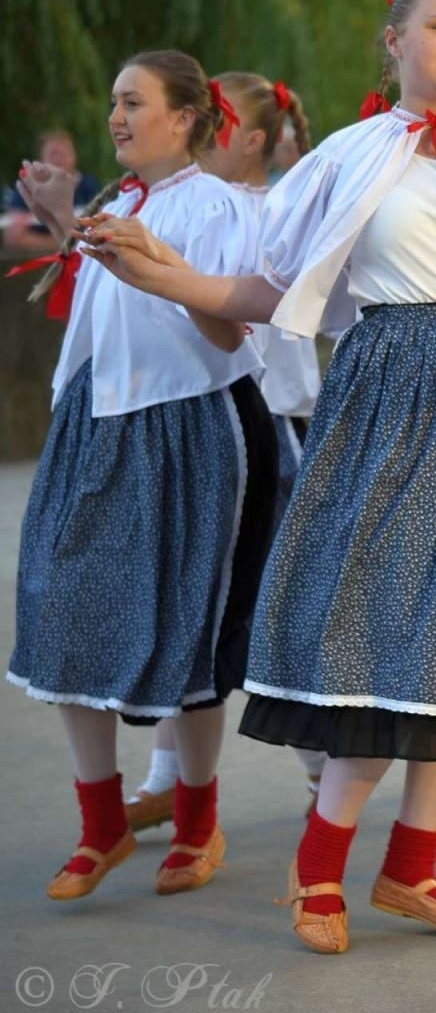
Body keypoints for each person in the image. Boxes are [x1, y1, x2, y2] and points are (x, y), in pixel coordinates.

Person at [81, 0, 436, 955]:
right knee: (390, 619)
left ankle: (412, 869)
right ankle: (319, 869)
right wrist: (151, 265)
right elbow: (265, 291)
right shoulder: (346, 157)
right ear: (392, 40)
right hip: (395, 387)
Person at [8, 50, 272, 902]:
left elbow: (230, 332)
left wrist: (156, 258)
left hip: (191, 419)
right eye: (114, 102)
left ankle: (197, 824)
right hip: (95, 418)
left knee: (185, 620)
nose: (117, 117)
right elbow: (98, 297)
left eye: (134, 102)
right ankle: (102, 826)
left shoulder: (220, 205)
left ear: (185, 118)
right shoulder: (117, 202)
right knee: (59, 604)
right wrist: (60, 219)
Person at [122, 71, 325, 833]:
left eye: (216, 125)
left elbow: (249, 325)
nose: (202, 137)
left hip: (269, 422)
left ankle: (320, 772)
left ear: (251, 141)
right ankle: (168, 777)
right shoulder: (185, 205)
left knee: (271, 611)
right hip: (215, 420)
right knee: (195, 606)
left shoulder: (261, 214)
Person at [4, 131, 102, 254]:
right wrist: (69, 240)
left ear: (74, 156)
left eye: (64, 154)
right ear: (41, 159)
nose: (59, 159)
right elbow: (15, 238)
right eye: (53, 154)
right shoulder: (27, 187)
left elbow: (99, 233)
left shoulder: (89, 185)